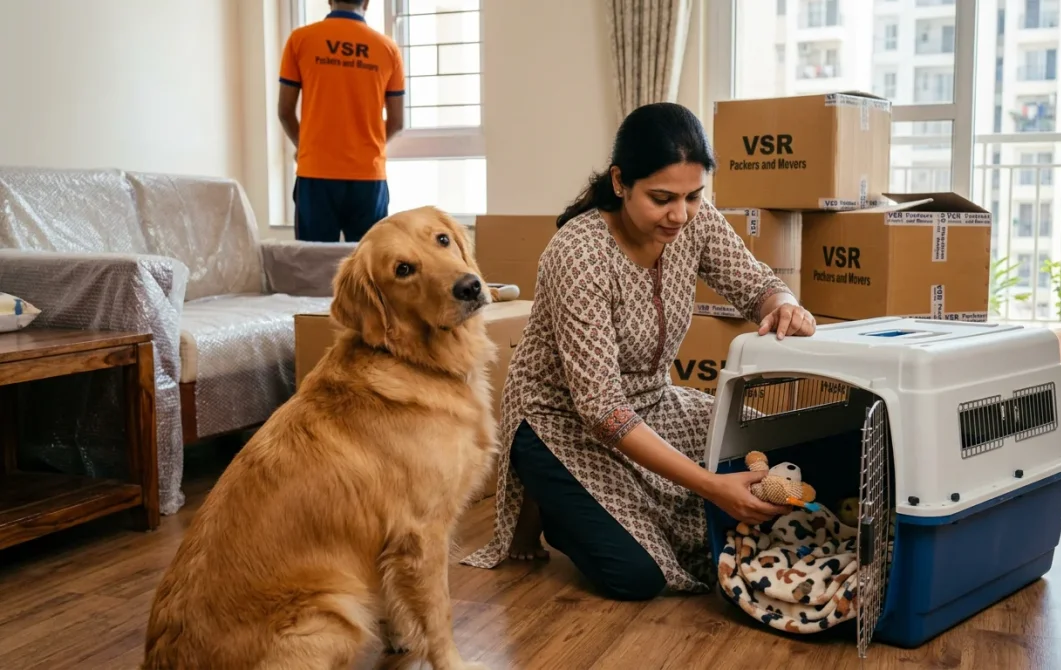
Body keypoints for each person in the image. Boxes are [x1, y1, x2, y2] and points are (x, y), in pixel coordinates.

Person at [462, 103, 817, 600]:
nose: (680, 214)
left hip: (653, 403)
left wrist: (783, 304)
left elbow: (755, 284)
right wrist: (711, 487)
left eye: (694, 196)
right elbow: (602, 410)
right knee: (637, 574)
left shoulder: (694, 221)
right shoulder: (578, 253)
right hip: (562, 422)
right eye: (662, 198)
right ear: (619, 181)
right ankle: (553, 506)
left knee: (778, 453)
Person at [277, 0, 405, 242]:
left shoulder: (301, 40)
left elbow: (284, 111)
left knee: (313, 267)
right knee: (370, 270)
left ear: (329, 0)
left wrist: (304, 146)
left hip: (316, 173)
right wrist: (368, 145)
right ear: (366, 2)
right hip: (368, 177)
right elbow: (397, 121)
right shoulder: (387, 48)